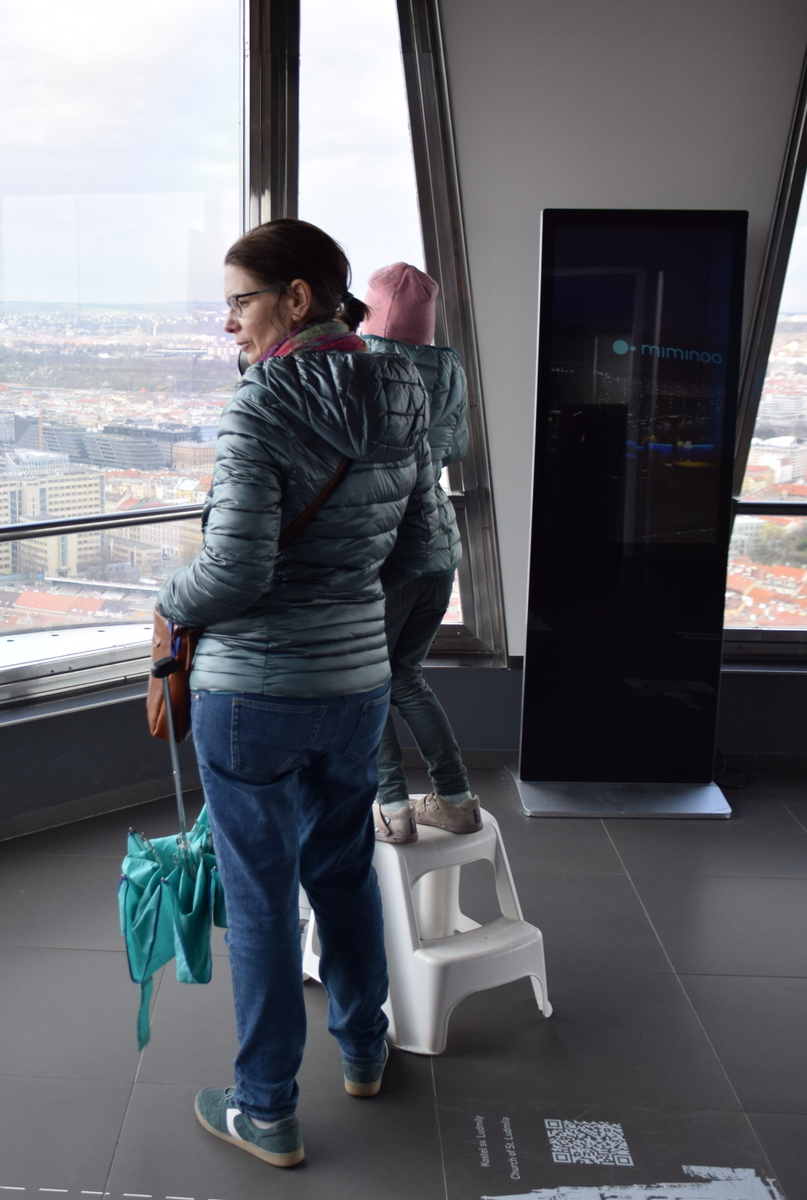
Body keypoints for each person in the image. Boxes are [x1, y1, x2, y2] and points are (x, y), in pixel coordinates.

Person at [156, 219, 441, 1168]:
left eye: (239, 301)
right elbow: (415, 547)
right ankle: (365, 1049)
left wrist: (167, 600)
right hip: (356, 683)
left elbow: (233, 572)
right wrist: (350, 613)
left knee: (262, 896)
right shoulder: (404, 390)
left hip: (254, 695)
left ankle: (266, 1108)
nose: (228, 322)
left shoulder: (260, 405)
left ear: (298, 298)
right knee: (344, 870)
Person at [357, 262, 483, 843]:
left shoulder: (363, 367)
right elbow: (454, 448)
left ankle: (392, 807)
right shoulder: (449, 370)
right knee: (405, 675)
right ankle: (454, 799)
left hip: (388, 552)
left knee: (368, 681)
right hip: (439, 548)